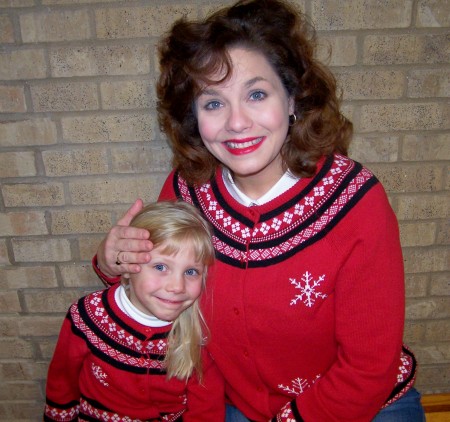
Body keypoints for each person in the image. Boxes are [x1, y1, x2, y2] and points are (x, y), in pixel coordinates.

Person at [92, 0, 425, 421]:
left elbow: (368, 368)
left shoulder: (357, 202)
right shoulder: (186, 191)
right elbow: (161, 290)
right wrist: (116, 261)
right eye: (213, 103)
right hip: (235, 406)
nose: (236, 122)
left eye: (256, 94)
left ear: (292, 99)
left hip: (363, 406)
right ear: (194, 118)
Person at [45, 201, 224, 421]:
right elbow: (62, 380)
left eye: (191, 271)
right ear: (127, 266)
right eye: (160, 267)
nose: (177, 286)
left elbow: (206, 408)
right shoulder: (86, 316)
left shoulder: (198, 335)